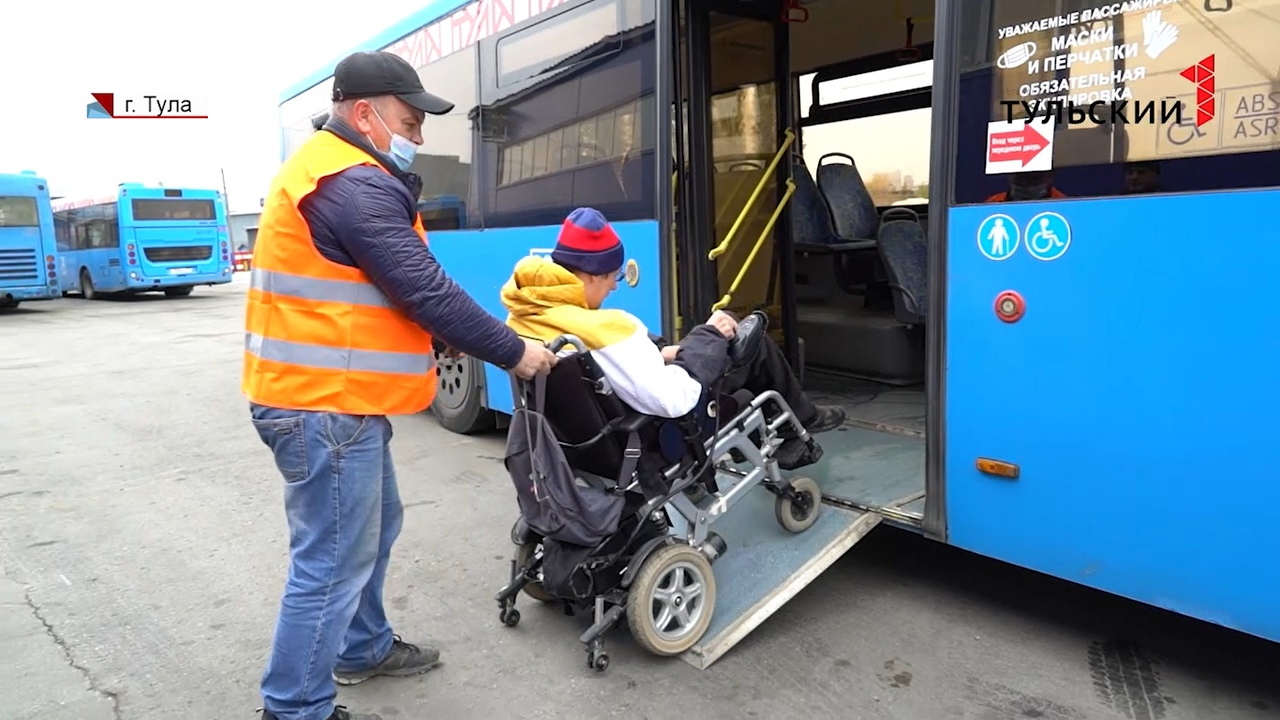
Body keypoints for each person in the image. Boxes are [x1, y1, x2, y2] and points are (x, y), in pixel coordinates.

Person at [243, 50, 557, 720]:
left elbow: (375, 290)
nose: (417, 140)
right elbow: (424, 290)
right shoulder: (351, 182)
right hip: (322, 406)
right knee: (330, 561)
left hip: (333, 401)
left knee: (375, 528)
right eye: (410, 124)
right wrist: (514, 353)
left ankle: (362, 646)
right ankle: (295, 707)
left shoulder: (328, 172)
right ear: (364, 113)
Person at [500, 207, 847, 471]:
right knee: (750, 343)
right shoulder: (610, 329)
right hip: (655, 440)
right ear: (591, 276)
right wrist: (707, 337)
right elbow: (674, 400)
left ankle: (793, 425)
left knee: (727, 342)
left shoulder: (525, 318)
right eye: (612, 277)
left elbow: (612, 370)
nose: (615, 286)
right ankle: (802, 422)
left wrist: (660, 354)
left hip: (584, 446)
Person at [985, 170, 1067, 202]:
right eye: (1020, 175)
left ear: (1050, 176)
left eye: (1035, 177)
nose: (1027, 181)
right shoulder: (993, 203)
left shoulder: (1062, 203)